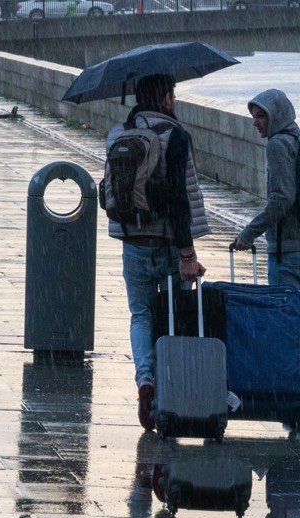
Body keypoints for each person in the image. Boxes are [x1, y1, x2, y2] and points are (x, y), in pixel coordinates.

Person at [108, 73, 211, 429]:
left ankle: (145, 380)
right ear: (166, 98)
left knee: (140, 315)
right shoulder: (175, 135)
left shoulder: (119, 134)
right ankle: (169, 388)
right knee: (172, 314)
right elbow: (180, 199)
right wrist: (187, 254)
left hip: (133, 243)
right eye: (173, 94)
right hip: (168, 244)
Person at [232, 90, 300, 286]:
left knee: (284, 314)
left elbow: (282, 198)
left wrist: (249, 233)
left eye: (260, 116)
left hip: (285, 253)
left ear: (276, 115)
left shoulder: (278, 144)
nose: (255, 122)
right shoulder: (296, 139)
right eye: (254, 116)